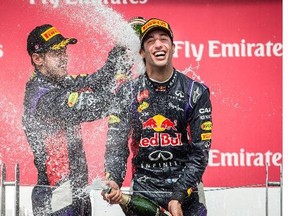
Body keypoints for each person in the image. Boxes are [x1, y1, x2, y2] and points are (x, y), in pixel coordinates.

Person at [102, 17, 212, 216]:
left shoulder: (195, 92)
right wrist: (114, 180)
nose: (158, 44)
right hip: (144, 192)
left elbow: (200, 153)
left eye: (164, 39)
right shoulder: (127, 93)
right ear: (142, 52)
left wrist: (178, 196)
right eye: (150, 40)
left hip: (187, 194)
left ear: (172, 47)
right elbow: (116, 147)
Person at [22, 24, 129, 215]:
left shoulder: (60, 83)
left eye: (64, 51)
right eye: (56, 53)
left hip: (76, 190)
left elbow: (99, 80)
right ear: (38, 59)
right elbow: (95, 105)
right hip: (57, 196)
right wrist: (126, 91)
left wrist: (122, 47)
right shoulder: (42, 98)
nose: (64, 58)